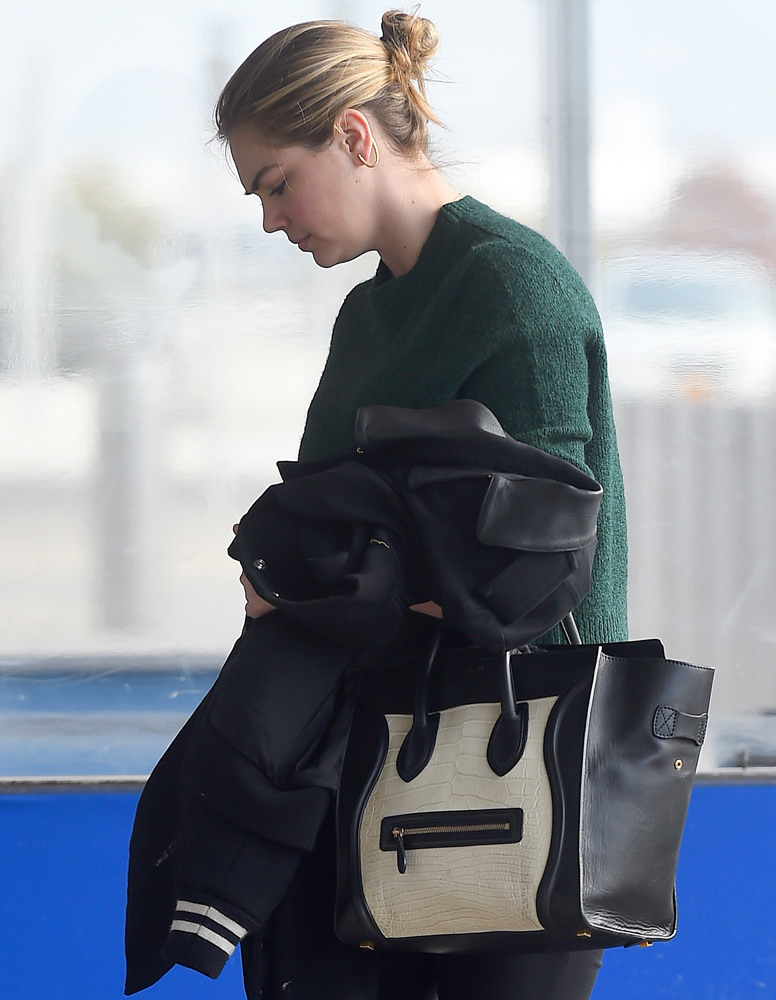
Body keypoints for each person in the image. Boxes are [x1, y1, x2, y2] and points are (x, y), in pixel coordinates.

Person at [213, 10, 628, 1000]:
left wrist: (321, 596)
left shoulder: (514, 289)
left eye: (276, 183)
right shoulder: (369, 313)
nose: (271, 219)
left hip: (524, 763)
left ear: (354, 136)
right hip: (388, 754)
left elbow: (530, 581)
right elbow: (318, 520)